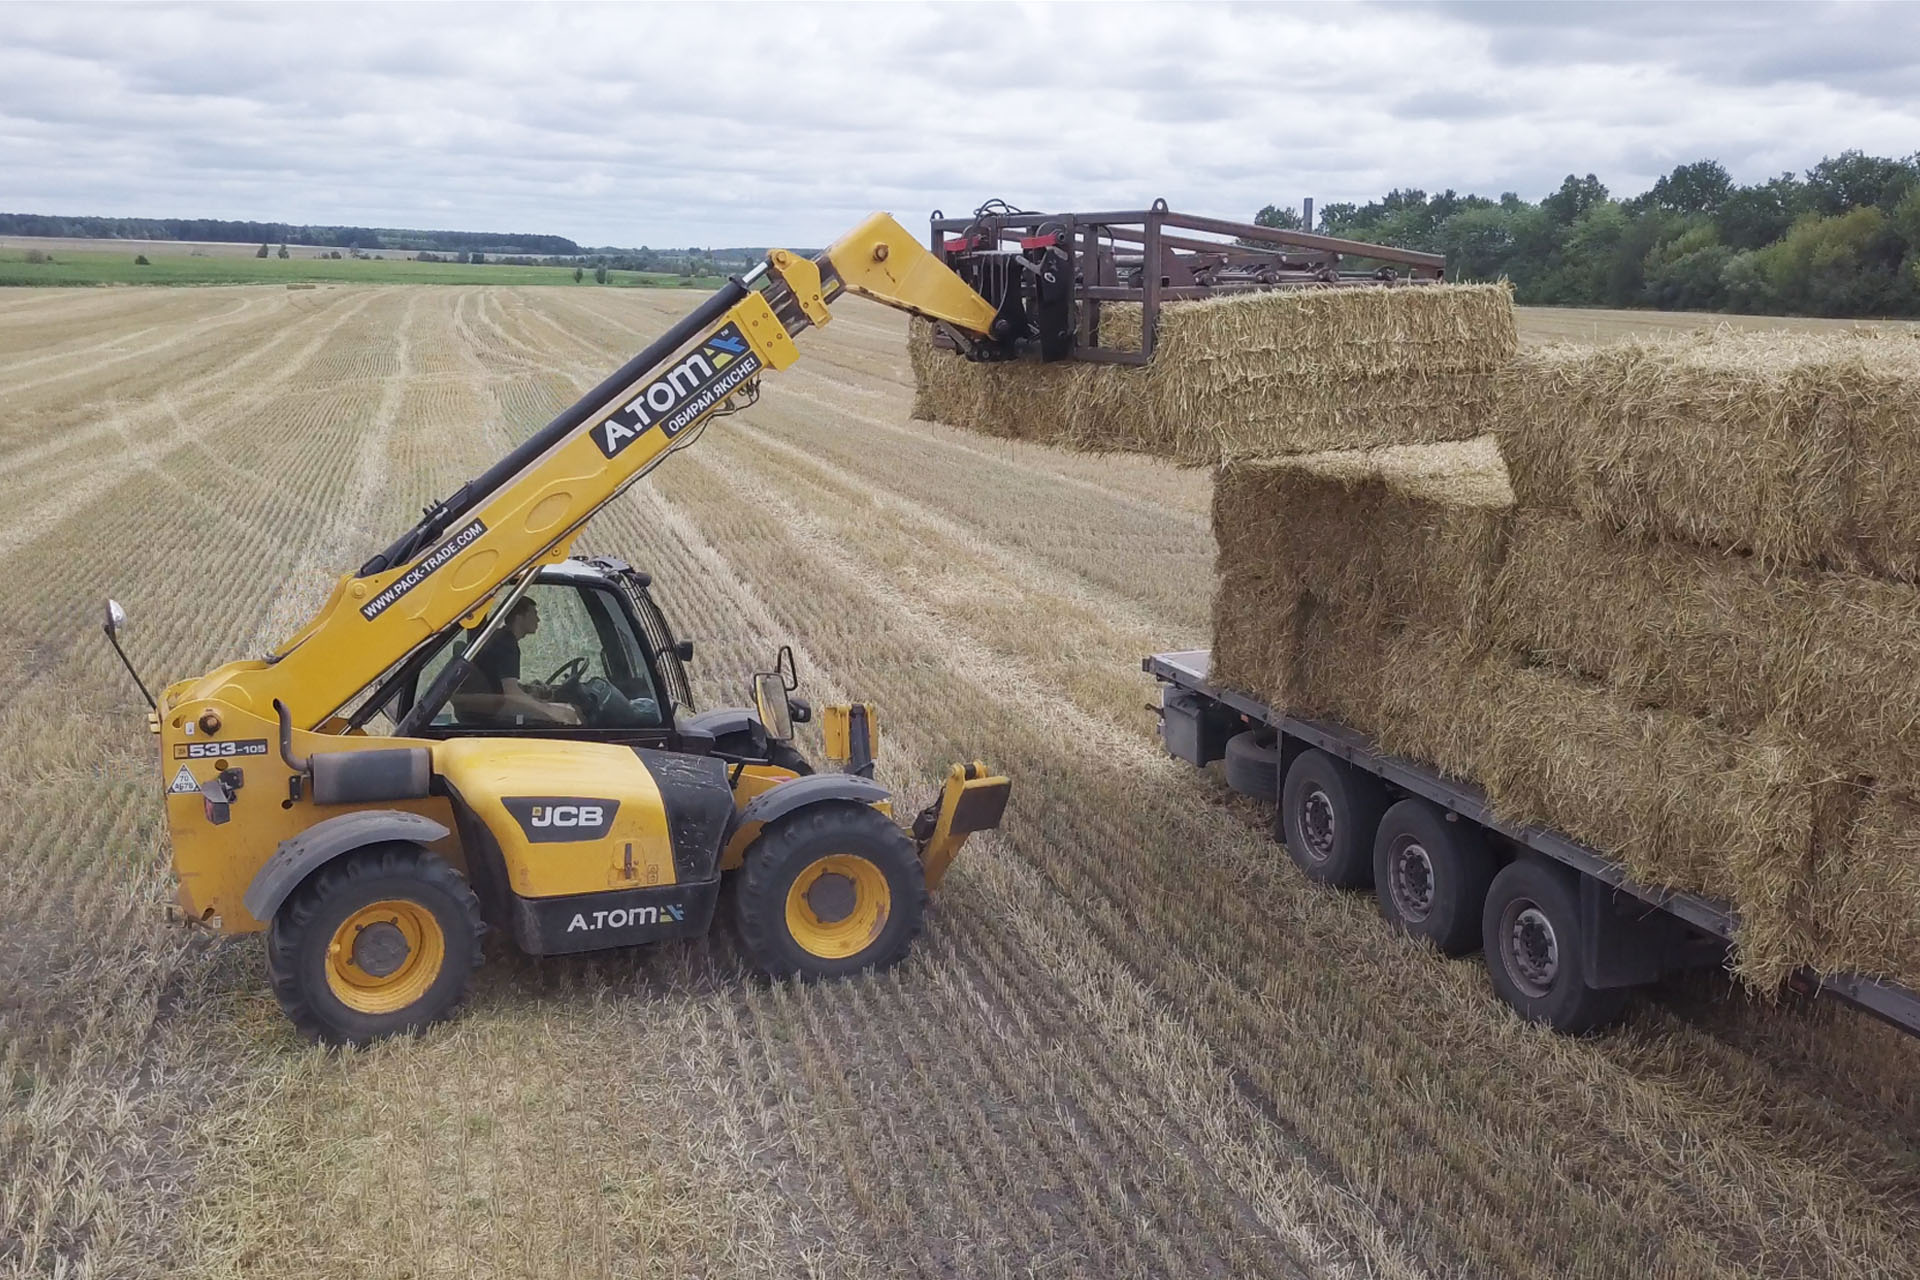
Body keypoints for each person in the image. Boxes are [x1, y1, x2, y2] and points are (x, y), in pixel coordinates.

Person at [455, 597, 580, 726]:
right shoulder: (507, 645)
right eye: (534, 614)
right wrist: (550, 711)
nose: (538, 619)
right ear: (520, 617)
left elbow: (498, 682)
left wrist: (526, 689)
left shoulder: (500, 637)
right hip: (493, 713)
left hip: (485, 708)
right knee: (572, 714)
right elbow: (511, 693)